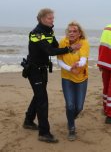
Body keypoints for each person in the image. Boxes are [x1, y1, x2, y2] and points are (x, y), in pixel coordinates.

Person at [22, 8, 80, 143]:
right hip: (34, 70)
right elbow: (50, 51)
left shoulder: (49, 31)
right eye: (49, 18)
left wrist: (70, 41)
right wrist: (70, 49)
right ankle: (44, 133)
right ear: (42, 19)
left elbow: (56, 45)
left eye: (53, 18)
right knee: (43, 100)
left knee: (39, 96)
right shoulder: (35, 34)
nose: (52, 20)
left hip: (43, 69)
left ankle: (28, 121)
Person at [57, 21, 89, 141]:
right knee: (70, 105)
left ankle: (70, 118)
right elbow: (59, 61)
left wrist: (77, 65)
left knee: (79, 107)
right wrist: (70, 68)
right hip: (67, 77)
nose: (71, 33)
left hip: (82, 77)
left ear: (79, 33)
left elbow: (83, 60)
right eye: (69, 31)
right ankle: (71, 128)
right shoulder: (62, 42)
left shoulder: (84, 42)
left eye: (74, 31)